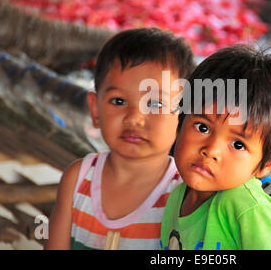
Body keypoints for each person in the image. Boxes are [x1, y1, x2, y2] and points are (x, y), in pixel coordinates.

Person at [45, 27, 195, 250]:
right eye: (118, 101)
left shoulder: (184, 195)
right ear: (95, 110)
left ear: (183, 116)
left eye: (155, 104)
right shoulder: (78, 179)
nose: (134, 118)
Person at [160, 44, 271, 250]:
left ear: (266, 163)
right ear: (180, 123)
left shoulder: (243, 206)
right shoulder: (177, 196)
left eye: (238, 144)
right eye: (202, 127)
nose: (211, 150)